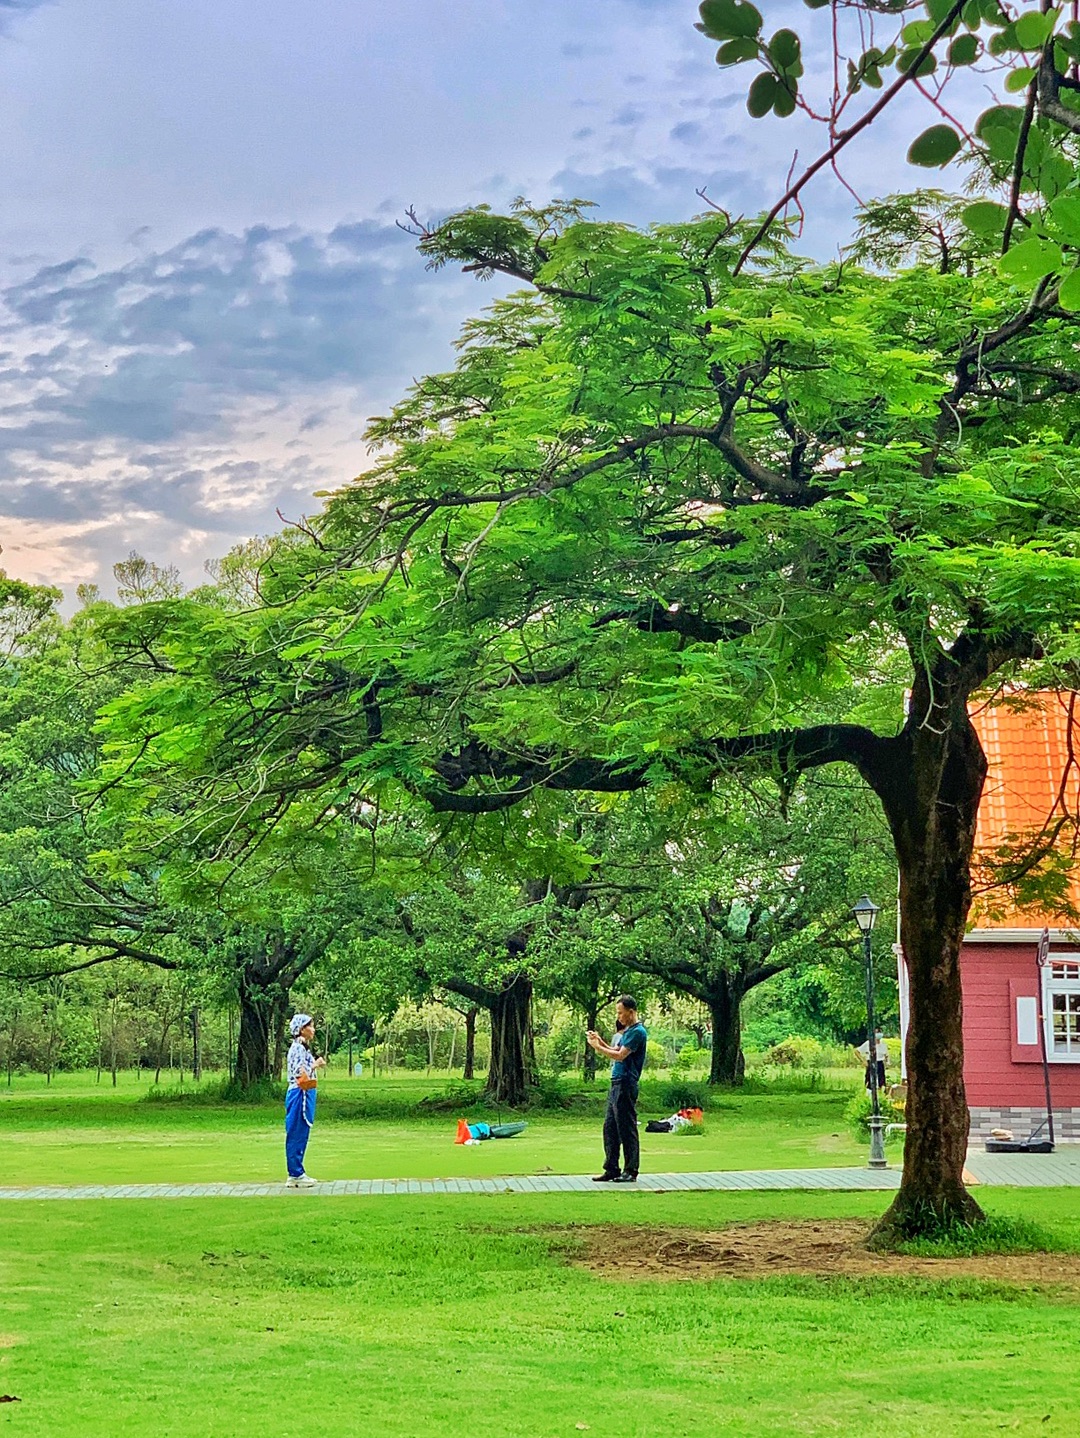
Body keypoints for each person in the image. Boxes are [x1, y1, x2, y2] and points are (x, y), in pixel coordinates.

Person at [587, 995, 648, 1184]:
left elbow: (620, 1056)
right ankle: (611, 1168)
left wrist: (598, 1048)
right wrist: (600, 1042)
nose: (619, 1017)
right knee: (610, 1128)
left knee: (626, 1127)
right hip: (616, 1084)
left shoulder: (638, 1032)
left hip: (626, 1083)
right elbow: (615, 1050)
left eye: (621, 1013)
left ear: (631, 1012)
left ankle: (631, 1169)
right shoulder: (628, 1032)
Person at [285, 1013, 326, 1188]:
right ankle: (295, 1173)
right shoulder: (297, 1049)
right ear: (302, 1029)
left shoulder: (302, 1048)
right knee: (297, 1133)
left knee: (301, 1133)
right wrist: (315, 1065)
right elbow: (298, 1073)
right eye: (310, 1026)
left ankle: (297, 1171)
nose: (313, 1029)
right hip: (299, 1095)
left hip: (304, 1094)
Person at [856, 1028, 888, 1095]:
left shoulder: (883, 1044)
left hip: (880, 1063)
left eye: (879, 1032)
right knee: (870, 1081)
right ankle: (869, 1095)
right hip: (871, 1062)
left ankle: (881, 1094)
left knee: (881, 1081)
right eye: (876, 1032)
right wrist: (863, 1061)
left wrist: (886, 1063)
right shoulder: (868, 1043)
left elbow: (886, 1055)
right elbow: (857, 1051)